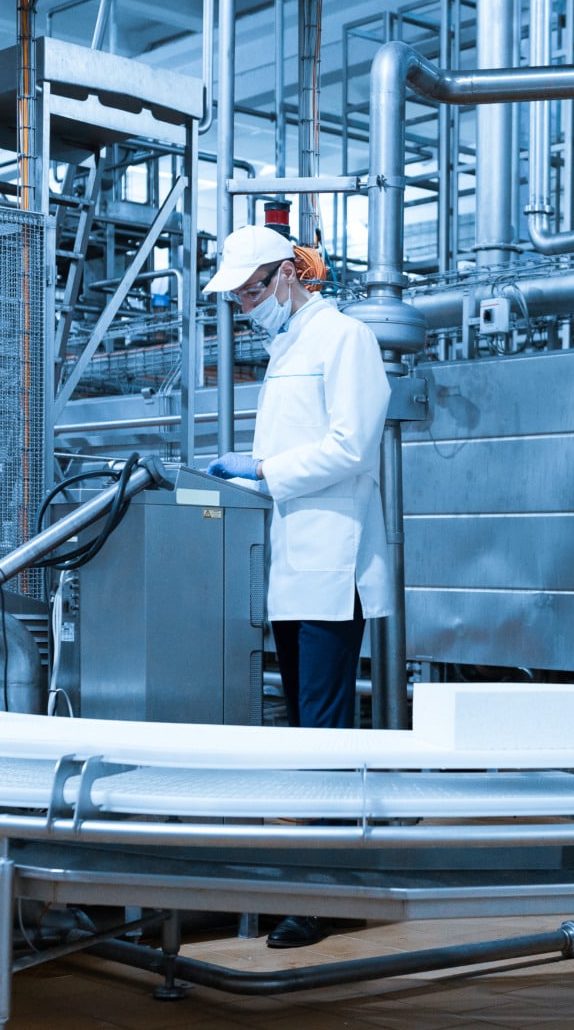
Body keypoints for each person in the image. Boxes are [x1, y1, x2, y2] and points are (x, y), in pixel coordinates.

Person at [202, 224, 394, 950]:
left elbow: (351, 446)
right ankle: (318, 883)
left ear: (287, 274)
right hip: (293, 566)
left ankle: (326, 894)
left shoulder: (345, 339)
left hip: (332, 568)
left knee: (324, 736)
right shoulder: (291, 350)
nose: (246, 307)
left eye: (250, 291)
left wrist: (263, 471)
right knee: (309, 732)